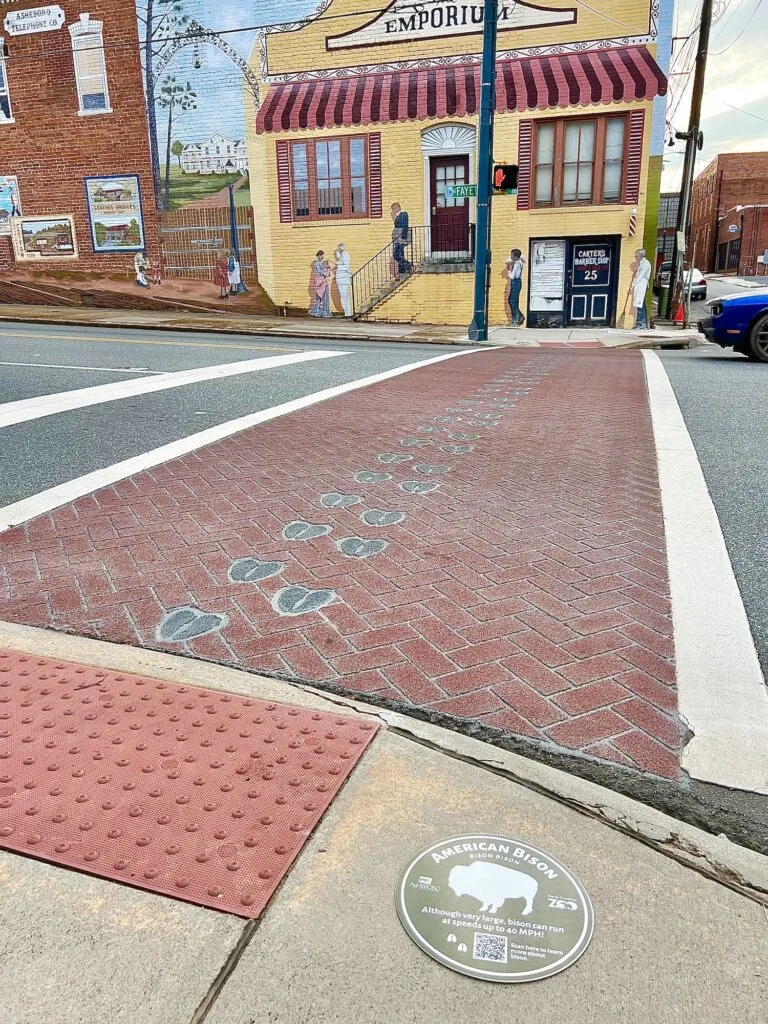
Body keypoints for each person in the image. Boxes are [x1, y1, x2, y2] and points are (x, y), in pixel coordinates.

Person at [391, 202, 412, 279]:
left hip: (401, 237)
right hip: (397, 238)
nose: (394, 210)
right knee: (400, 253)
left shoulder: (403, 214)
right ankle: (402, 269)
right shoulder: (397, 216)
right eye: (393, 209)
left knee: (396, 254)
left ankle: (408, 265)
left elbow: (405, 224)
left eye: (395, 208)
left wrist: (404, 235)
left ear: (399, 207)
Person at [308, 250, 332, 317]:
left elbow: (326, 270)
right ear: (318, 256)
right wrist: (326, 273)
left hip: (323, 281)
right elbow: (319, 271)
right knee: (319, 297)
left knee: (325, 297)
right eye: (321, 255)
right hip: (319, 282)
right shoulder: (317, 263)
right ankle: (317, 312)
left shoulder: (322, 263)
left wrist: (328, 268)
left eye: (323, 255)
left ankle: (324, 313)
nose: (322, 256)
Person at [632, 248, 652, 329]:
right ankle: (643, 324)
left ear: (640, 256)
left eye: (636, 256)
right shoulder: (642, 263)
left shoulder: (645, 264)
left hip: (642, 285)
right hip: (641, 285)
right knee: (642, 305)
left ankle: (640, 324)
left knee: (639, 304)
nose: (635, 257)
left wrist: (633, 284)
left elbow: (640, 276)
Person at [506, 248, 526, 326]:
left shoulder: (517, 264)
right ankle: (519, 317)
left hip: (515, 282)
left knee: (512, 301)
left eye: (512, 255)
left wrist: (508, 270)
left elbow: (512, 276)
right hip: (517, 282)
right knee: (513, 301)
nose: (511, 257)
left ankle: (516, 320)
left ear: (515, 256)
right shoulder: (519, 262)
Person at [334, 242, 352, 317]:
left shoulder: (346, 255)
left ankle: (348, 313)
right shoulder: (342, 255)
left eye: (339, 249)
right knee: (343, 296)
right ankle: (347, 313)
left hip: (343, 278)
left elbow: (346, 266)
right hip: (340, 279)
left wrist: (338, 267)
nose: (338, 251)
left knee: (345, 296)